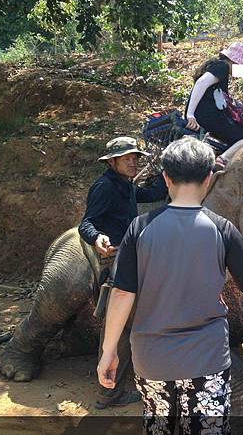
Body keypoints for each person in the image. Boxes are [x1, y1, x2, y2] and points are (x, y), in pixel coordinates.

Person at [97, 137, 243, 435]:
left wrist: (108, 351)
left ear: (166, 177)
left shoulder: (139, 228)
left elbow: (123, 293)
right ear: (208, 178)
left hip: (152, 360)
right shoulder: (222, 228)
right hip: (207, 360)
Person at [78, 136, 168, 410]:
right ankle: (109, 393)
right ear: (112, 161)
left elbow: (151, 194)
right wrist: (97, 238)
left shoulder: (126, 186)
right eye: (126, 158)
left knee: (121, 323)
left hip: (130, 256)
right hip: (114, 258)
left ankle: (112, 388)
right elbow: (87, 223)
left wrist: (168, 174)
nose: (132, 162)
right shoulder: (104, 187)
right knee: (118, 324)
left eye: (134, 158)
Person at [185, 41, 243, 170]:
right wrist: (190, 114)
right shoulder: (222, 67)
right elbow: (201, 83)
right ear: (235, 62)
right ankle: (222, 160)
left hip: (207, 116)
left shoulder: (218, 67)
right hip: (208, 117)